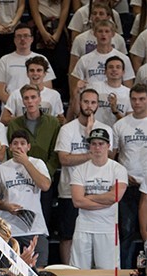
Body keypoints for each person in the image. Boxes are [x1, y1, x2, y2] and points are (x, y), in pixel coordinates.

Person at [55, 88, 115, 265]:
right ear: (79, 103)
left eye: (93, 102)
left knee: (98, 238)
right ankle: (67, 275)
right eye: (86, 102)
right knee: (67, 236)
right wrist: (92, 153)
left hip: (97, 191)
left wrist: (91, 138)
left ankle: (96, 274)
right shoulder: (67, 129)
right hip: (69, 192)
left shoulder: (105, 129)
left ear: (98, 105)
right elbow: (64, 159)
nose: (89, 106)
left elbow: (109, 159)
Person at [0, 130, 53, 267]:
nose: (19, 147)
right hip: (9, 230)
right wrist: (6, 206)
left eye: (22, 143)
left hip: (35, 228)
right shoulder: (2, 169)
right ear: (10, 147)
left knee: (38, 272)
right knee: (8, 273)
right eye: (15, 143)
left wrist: (26, 163)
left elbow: (45, 185)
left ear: (28, 147)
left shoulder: (38, 163)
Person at [70, 127, 129, 269]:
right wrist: (105, 200)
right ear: (89, 146)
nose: (97, 147)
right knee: (79, 272)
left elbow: (115, 196)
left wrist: (89, 197)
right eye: (94, 143)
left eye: (101, 144)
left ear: (108, 146)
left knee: (108, 274)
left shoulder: (118, 169)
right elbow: (77, 201)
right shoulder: (80, 170)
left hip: (108, 228)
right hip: (83, 227)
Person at [114, 84, 147, 268]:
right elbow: (112, 157)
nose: (137, 102)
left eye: (142, 99)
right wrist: (123, 173)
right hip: (127, 185)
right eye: (134, 99)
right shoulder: (120, 125)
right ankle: (125, 271)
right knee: (125, 231)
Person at [70, 18, 135, 100]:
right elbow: (76, 86)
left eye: (107, 31)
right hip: (91, 103)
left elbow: (128, 87)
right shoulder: (84, 59)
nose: (103, 34)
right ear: (94, 34)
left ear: (113, 34)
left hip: (116, 101)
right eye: (100, 31)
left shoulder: (124, 59)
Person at [0, 23, 55, 104]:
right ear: (14, 39)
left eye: (26, 36)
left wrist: (32, 105)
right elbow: (0, 91)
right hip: (12, 110)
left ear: (32, 39)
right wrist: (16, 106)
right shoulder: (5, 60)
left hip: (35, 109)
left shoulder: (42, 59)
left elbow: (48, 88)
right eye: (19, 36)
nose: (22, 39)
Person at [0, 56, 65, 126]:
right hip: (23, 134)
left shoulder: (54, 95)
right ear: (27, 74)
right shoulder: (16, 94)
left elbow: (62, 120)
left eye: (39, 70)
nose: (35, 73)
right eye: (32, 70)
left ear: (45, 74)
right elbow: (4, 119)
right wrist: (26, 120)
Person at [89, 56, 131, 126]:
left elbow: (128, 124)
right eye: (111, 67)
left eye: (118, 67)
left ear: (123, 72)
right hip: (95, 130)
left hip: (117, 133)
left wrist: (115, 111)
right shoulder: (94, 87)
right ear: (105, 71)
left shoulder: (129, 93)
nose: (114, 69)